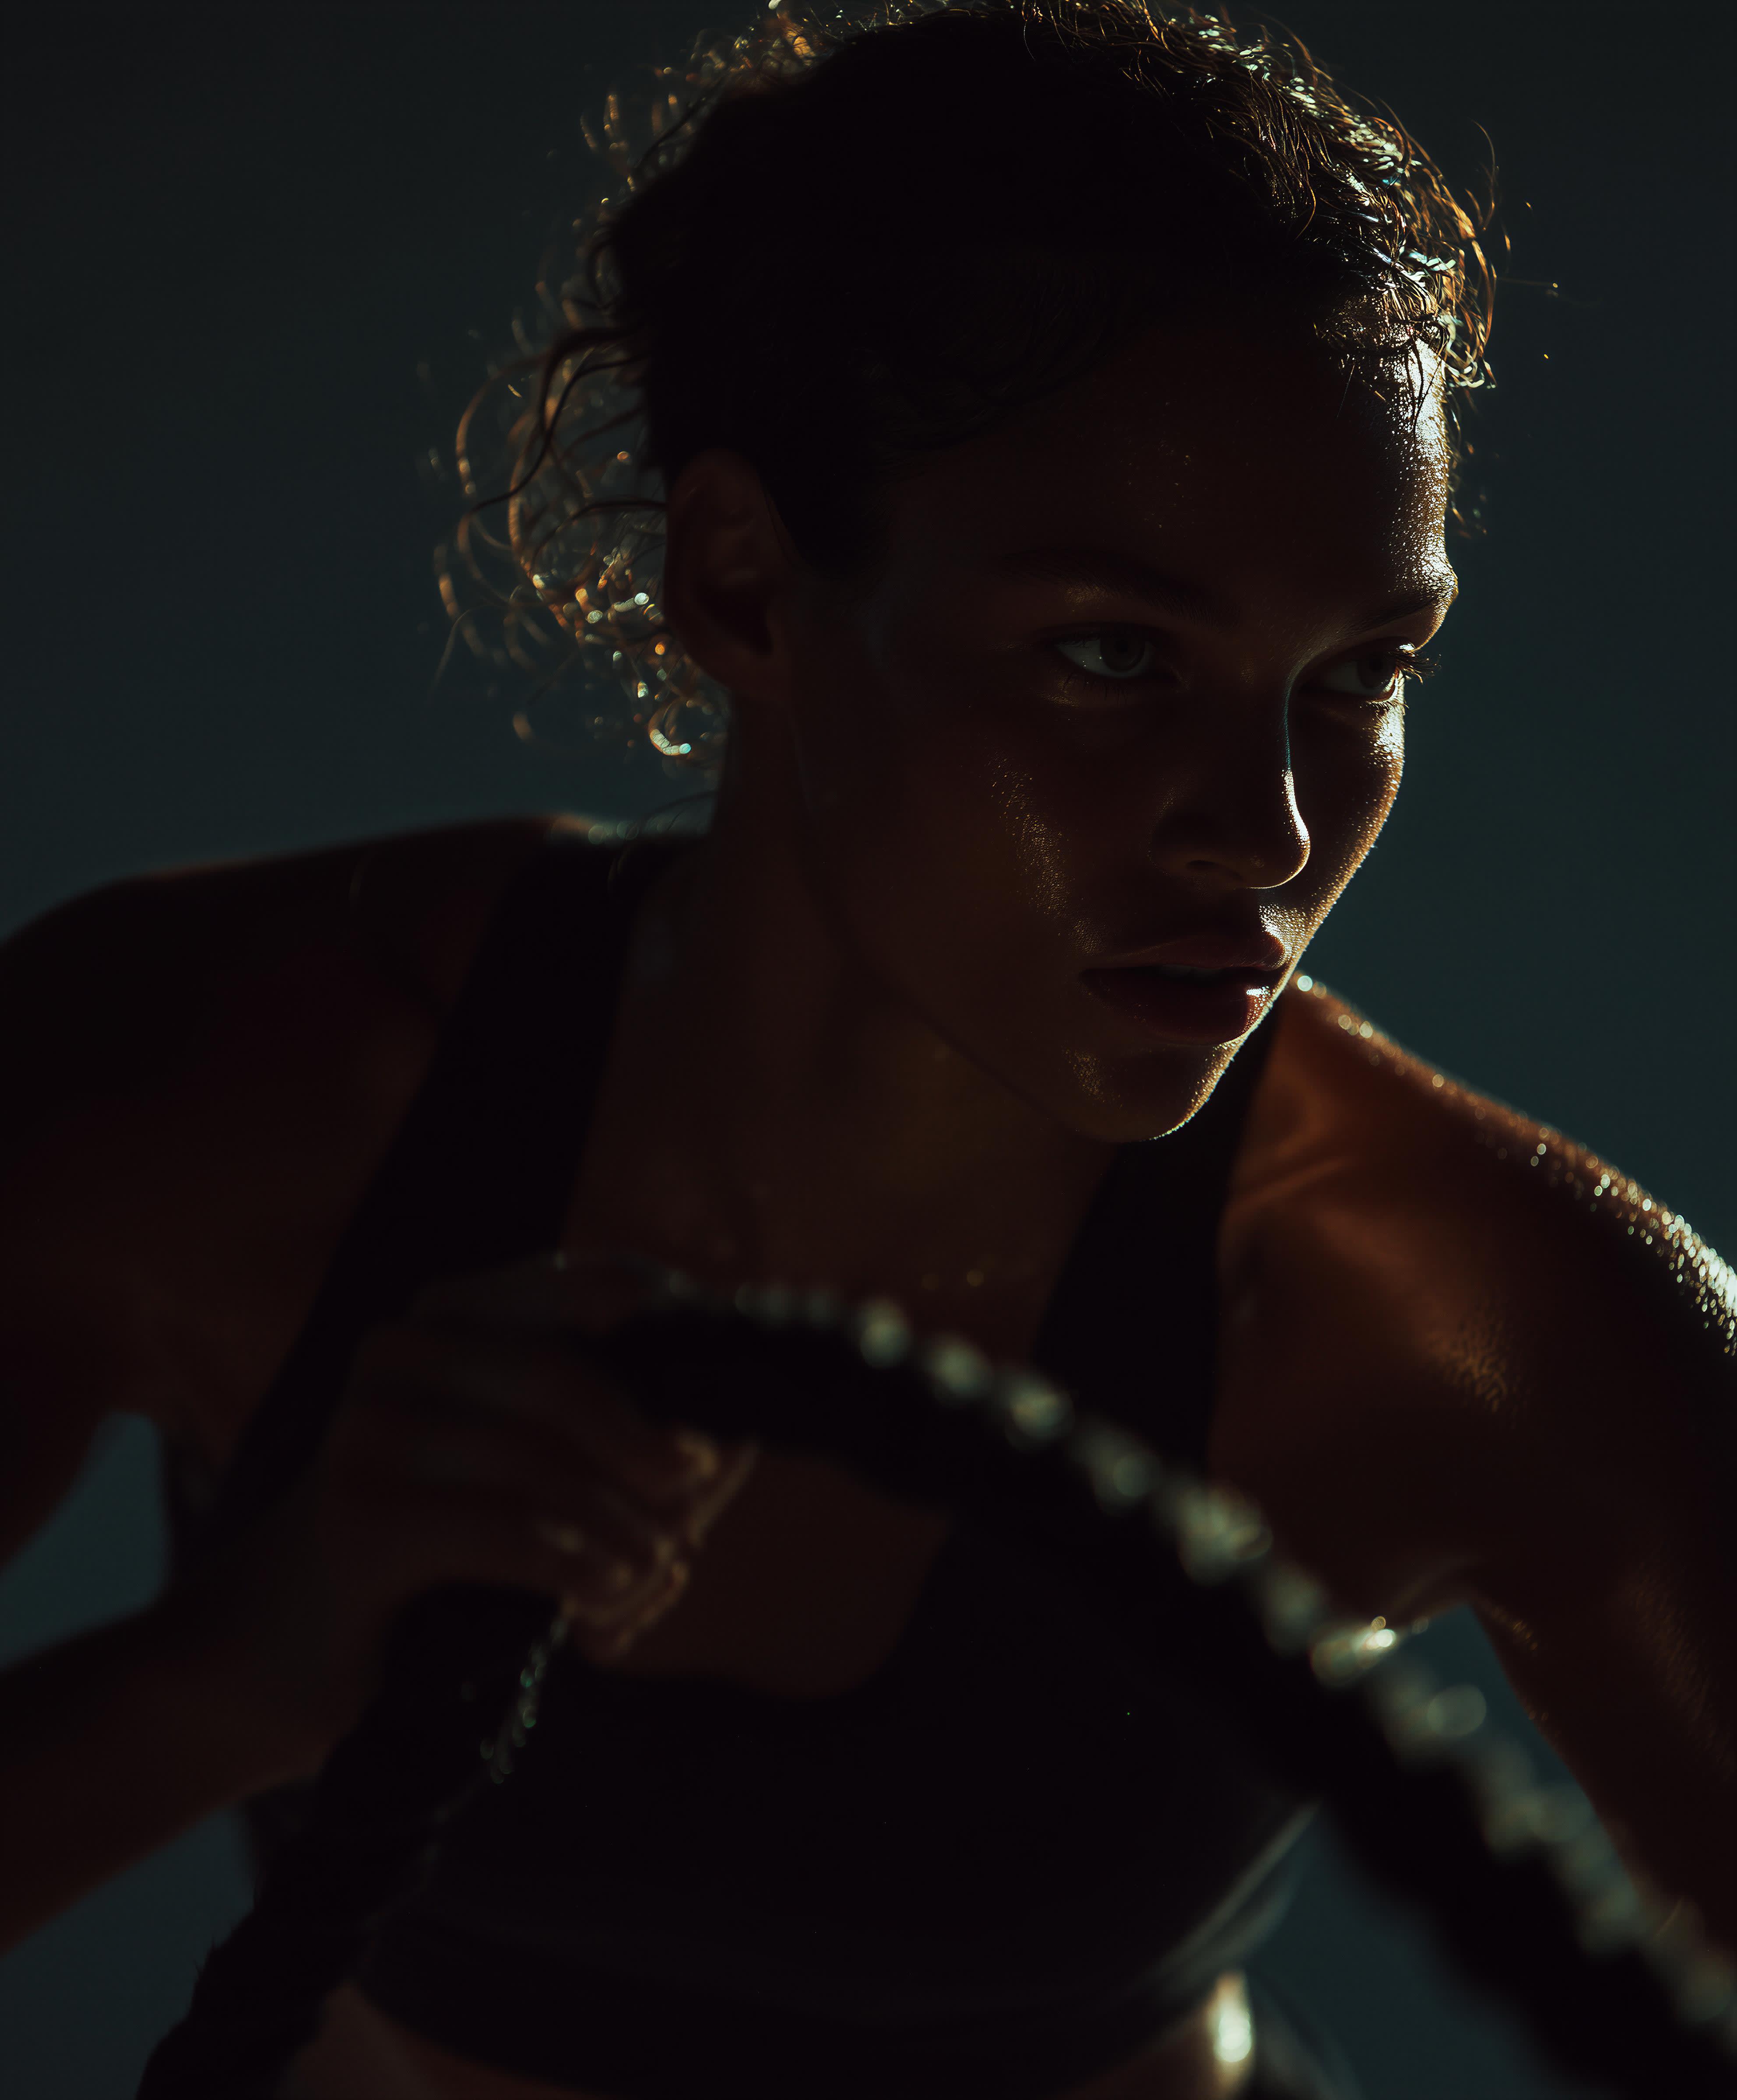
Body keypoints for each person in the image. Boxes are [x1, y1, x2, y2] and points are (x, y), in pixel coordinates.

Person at [0, 5, 1730, 2096]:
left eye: (1361, 672)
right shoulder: (206, 1086)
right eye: (1114, 655)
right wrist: (231, 1673)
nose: (1265, 830)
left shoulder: (1472, 1321)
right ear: (743, 582)